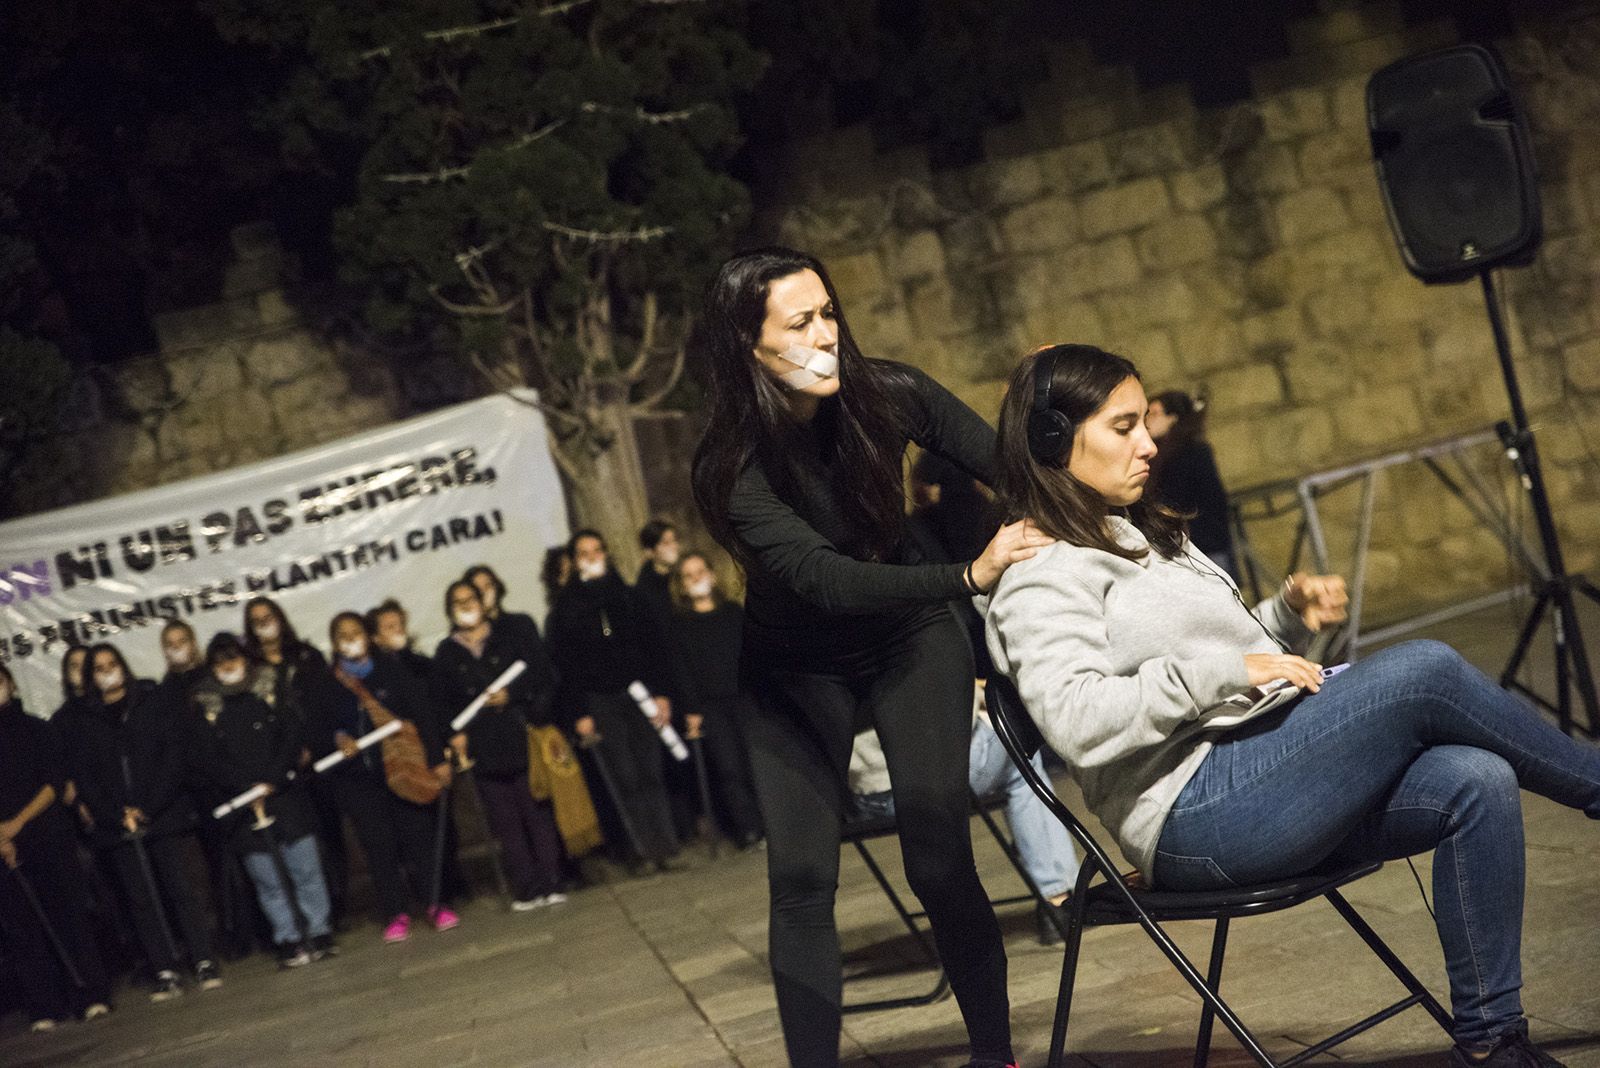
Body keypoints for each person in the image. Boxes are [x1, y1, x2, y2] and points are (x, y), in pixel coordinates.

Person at [984, 343, 1600, 1068]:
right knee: (1425, 669)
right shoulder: (1041, 571)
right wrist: (1225, 668)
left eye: (1144, 422)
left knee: (1475, 778)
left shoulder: (1147, 532)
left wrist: (1285, 616)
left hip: (1264, 766)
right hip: (1193, 812)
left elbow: (1233, 662)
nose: (1149, 443)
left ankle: (1494, 1044)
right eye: (1124, 428)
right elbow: (1077, 720)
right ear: (1055, 442)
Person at [689, 246, 1049, 1068]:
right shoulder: (730, 465)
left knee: (937, 852)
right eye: (799, 323)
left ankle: (997, 1055)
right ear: (748, 346)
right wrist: (967, 574)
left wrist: (1059, 432)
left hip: (908, 636)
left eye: (829, 314)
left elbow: (1010, 466)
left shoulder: (890, 394)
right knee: (803, 881)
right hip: (793, 668)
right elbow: (823, 578)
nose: (825, 335)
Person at [56, 644, 221, 1000]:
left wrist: (147, 805)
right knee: (141, 899)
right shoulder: (85, 719)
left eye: (112, 664)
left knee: (180, 889)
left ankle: (203, 959)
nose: (107, 672)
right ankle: (164, 967)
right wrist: (116, 813)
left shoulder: (150, 700)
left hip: (160, 812)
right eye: (98, 668)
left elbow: (172, 756)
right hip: (117, 824)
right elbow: (86, 776)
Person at [189, 633, 335, 969]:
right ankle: (288, 938)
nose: (229, 666)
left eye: (234, 658)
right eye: (220, 661)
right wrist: (245, 788)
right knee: (267, 879)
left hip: (285, 794)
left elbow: (290, 733)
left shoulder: (270, 688)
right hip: (243, 804)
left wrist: (272, 779)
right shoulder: (206, 705)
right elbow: (207, 758)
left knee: (306, 868)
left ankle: (319, 930)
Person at [310, 613, 457, 941]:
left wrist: (436, 759)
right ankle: (395, 912)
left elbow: (423, 714)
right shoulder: (326, 685)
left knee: (418, 837)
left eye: (356, 632)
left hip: (403, 770)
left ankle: (436, 902)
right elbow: (316, 730)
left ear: (368, 636)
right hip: (359, 781)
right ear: (334, 644)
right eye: (343, 635)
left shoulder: (391, 670)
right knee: (379, 847)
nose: (351, 639)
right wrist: (337, 739)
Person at [546, 530, 681, 872]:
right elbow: (564, 667)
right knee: (623, 776)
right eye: (583, 553)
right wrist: (579, 712)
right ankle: (640, 851)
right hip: (599, 700)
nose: (592, 557)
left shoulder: (631, 597)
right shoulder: (565, 609)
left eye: (597, 550)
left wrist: (662, 693)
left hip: (639, 694)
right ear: (575, 561)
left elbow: (657, 649)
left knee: (650, 770)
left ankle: (665, 846)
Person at [433, 580, 567, 910]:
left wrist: (513, 695)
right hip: (482, 746)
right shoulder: (446, 653)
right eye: (457, 601)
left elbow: (540, 674)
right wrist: (454, 734)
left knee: (536, 812)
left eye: (470, 599)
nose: (465, 606)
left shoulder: (508, 637)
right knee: (506, 823)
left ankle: (553, 880)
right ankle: (527, 887)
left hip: (518, 734)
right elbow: (442, 703)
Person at [0, 662, 114, 1029]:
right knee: (23, 929)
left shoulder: (37, 729)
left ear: (11, 685)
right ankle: (46, 1004)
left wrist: (17, 823)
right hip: (5, 846)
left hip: (46, 837)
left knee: (69, 917)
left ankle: (91, 994)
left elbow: (53, 782)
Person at [241, 596, 348, 927]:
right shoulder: (249, 668)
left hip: (319, 759)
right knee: (293, 845)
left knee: (329, 832)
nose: (264, 623)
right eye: (256, 619)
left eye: (268, 616)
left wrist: (316, 745)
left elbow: (324, 703)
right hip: (279, 769)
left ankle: (338, 904)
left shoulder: (305, 656)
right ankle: (301, 916)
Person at [665, 551, 763, 849]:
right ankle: (750, 829)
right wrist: (692, 710)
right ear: (681, 585)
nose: (697, 579)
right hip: (710, 705)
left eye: (700, 571)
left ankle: (774, 823)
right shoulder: (680, 624)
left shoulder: (733, 613)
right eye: (689, 575)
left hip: (744, 698)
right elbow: (681, 671)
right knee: (729, 768)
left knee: (757, 763)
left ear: (712, 574)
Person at [1144, 388, 1236, 579]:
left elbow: (1208, 500)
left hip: (1204, 548)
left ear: (1173, 418)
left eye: (1154, 414)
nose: (1147, 421)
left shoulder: (1191, 452)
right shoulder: (1156, 455)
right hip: (1183, 550)